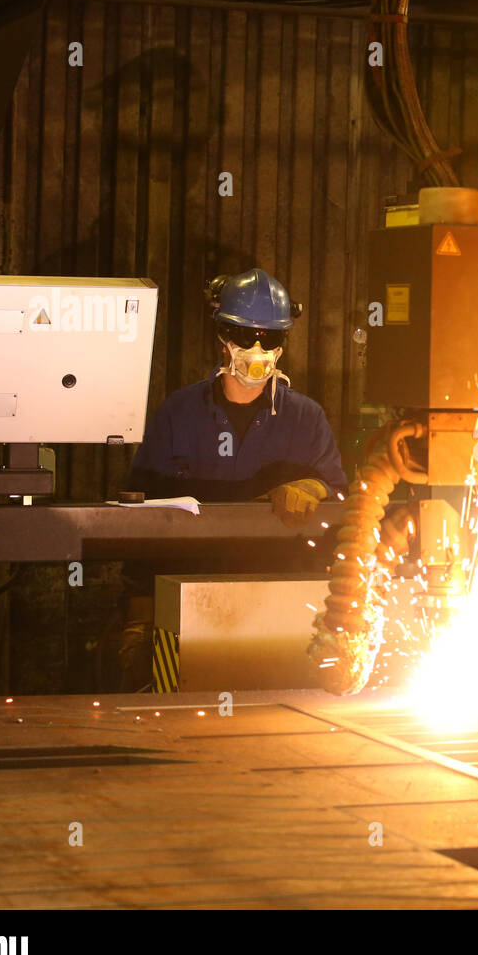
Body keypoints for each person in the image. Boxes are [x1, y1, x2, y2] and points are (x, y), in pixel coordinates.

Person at [109, 268, 347, 690]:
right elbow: (141, 517)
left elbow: (342, 503)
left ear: (282, 344)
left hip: (279, 607)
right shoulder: (179, 413)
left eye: (269, 339)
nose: (257, 349)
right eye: (245, 335)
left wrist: (317, 487)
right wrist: (142, 612)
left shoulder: (306, 419)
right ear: (223, 337)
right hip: (187, 602)